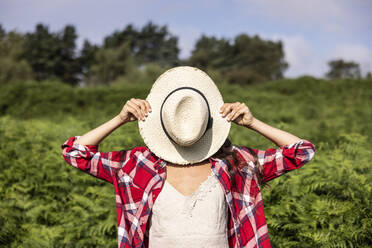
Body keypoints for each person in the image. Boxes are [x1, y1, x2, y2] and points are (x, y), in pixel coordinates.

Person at [62, 66, 315, 248]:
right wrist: (119, 119)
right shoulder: (137, 165)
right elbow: (75, 152)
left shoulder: (236, 163)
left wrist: (253, 122)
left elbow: (302, 151)